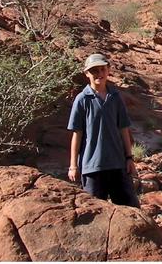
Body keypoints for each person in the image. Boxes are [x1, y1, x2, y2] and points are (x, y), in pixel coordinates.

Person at [67, 53, 140, 207]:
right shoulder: (82, 99)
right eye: (94, 71)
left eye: (102, 70)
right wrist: (73, 166)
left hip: (118, 164)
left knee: (130, 210)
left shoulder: (115, 97)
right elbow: (77, 134)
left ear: (108, 71)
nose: (99, 74)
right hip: (92, 167)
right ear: (87, 73)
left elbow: (124, 129)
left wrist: (129, 158)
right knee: (93, 212)